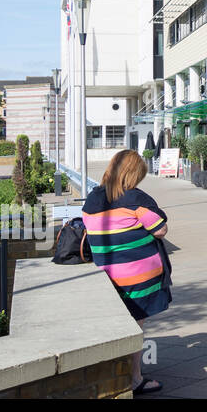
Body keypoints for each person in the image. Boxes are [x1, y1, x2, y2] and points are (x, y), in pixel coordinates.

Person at [82, 149, 172, 396]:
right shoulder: (135, 199)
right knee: (136, 326)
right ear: (133, 175)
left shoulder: (92, 199)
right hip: (137, 278)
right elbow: (160, 229)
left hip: (106, 276)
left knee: (117, 325)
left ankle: (114, 373)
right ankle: (134, 378)